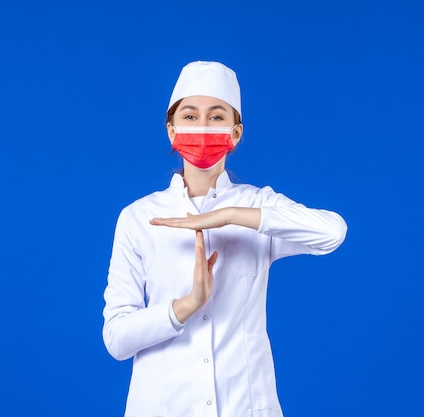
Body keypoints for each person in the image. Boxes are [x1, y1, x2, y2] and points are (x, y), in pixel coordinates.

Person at [102, 61, 347, 417]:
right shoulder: (138, 217)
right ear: (171, 131)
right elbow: (117, 338)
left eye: (217, 117)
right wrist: (186, 305)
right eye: (189, 116)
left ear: (235, 133)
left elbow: (332, 232)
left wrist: (232, 215)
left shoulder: (257, 204)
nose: (202, 126)